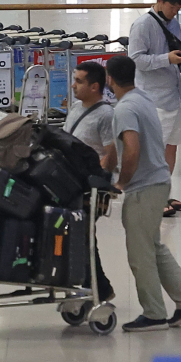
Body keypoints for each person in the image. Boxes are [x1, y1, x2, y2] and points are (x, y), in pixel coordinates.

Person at [105, 54, 181, 332]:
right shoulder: (142, 98)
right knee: (154, 247)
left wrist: (121, 182)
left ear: (109, 79)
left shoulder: (124, 109)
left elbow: (132, 149)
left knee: (140, 254)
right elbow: (119, 145)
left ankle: (154, 314)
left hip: (144, 187)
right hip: (159, 181)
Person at [127, 0, 181, 217]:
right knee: (154, 152)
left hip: (175, 96)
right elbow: (136, 60)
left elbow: (176, 57)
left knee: (171, 148)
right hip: (154, 100)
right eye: (172, 7)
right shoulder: (142, 26)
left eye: (178, 9)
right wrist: (166, 59)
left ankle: (163, 193)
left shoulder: (174, 23)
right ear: (160, 1)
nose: (175, 13)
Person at [65, 62, 116, 301]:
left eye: (79, 81)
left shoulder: (106, 115)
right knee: (79, 236)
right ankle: (94, 286)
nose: (73, 85)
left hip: (88, 187)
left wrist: (98, 180)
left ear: (95, 86)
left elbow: (111, 153)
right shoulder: (75, 107)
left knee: (84, 236)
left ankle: (98, 288)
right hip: (71, 183)